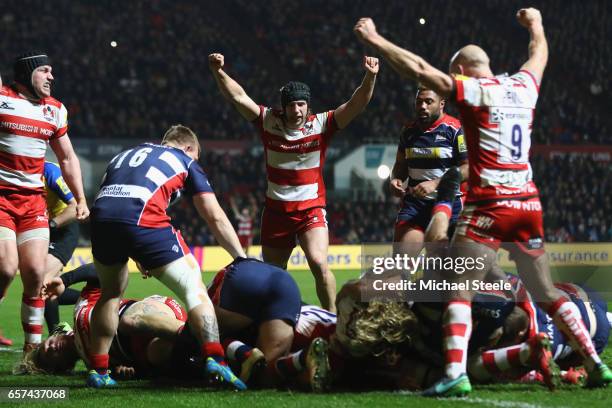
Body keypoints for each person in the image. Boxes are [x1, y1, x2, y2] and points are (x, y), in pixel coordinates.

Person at [353, 8, 611, 396]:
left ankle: (456, 373)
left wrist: (375, 40)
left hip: (488, 208)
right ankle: (595, 364)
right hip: (528, 204)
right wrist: (537, 23)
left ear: (460, 69)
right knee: (548, 291)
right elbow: (539, 53)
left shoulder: (476, 92)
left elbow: (421, 69)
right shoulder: (524, 85)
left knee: (459, 290)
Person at [209, 52, 379, 312]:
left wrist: (370, 77)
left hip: (310, 210)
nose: (296, 110)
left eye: (301, 104)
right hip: (276, 213)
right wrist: (218, 71)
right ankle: (278, 320)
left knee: (320, 264)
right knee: (274, 276)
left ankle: (331, 320)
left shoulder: (321, 124)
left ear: (307, 106)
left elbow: (356, 105)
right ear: (284, 107)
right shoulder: (268, 121)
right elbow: (238, 97)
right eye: (291, 105)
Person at [87, 125, 246, 389]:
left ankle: (99, 369)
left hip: (101, 219)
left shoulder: (125, 154)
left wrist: (136, 249)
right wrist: (241, 257)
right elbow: (213, 214)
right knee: (194, 287)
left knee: (111, 293)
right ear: (188, 148)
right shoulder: (184, 160)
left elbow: (115, 202)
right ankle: (216, 358)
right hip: (142, 218)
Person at [0, 52, 88, 357]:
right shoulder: (2, 98)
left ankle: (31, 353)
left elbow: (66, 157)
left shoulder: (55, 110)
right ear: (27, 74)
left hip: (33, 204)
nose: (51, 77)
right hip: (1, 200)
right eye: (45, 71)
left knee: (37, 274)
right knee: (5, 267)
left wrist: (80, 198)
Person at [390, 87, 467, 258]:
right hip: (415, 206)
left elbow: (467, 168)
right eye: (419, 102)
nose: (422, 106)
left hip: (449, 205)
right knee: (400, 264)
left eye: (428, 102)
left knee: (448, 272)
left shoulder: (454, 129)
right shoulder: (408, 131)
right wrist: (395, 179)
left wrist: (436, 183)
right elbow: (400, 165)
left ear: (441, 104)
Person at [41, 161, 79, 333]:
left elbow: (75, 207)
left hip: (62, 228)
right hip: (39, 229)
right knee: (40, 287)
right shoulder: (13, 173)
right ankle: (94, 297)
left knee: (44, 281)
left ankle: (55, 333)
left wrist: (51, 225)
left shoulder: (50, 171)